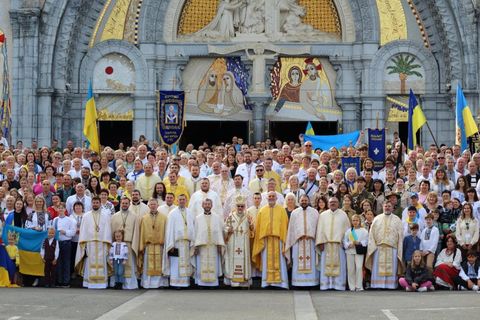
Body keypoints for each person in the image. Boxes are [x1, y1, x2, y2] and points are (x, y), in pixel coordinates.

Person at [252, 191, 289, 289]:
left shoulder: (282, 210)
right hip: (266, 241)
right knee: (266, 261)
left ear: (276, 198)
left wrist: (283, 238)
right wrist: (261, 239)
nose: (271, 198)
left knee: (280, 261)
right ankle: (267, 283)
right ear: (267, 198)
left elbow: (285, 226)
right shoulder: (262, 211)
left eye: (273, 196)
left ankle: (281, 283)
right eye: (270, 196)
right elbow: (259, 227)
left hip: (278, 240)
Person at [75, 196, 112, 289]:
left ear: (100, 203)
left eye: (97, 202)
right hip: (90, 243)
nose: (95, 204)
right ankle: (89, 283)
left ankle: (102, 284)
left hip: (102, 243)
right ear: (91, 203)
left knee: (102, 262)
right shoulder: (86, 216)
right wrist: (84, 243)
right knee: (89, 262)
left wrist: (107, 242)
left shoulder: (105, 215)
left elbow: (108, 230)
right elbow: (83, 230)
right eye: (93, 202)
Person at [365, 202, 404, 289]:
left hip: (392, 248)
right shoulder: (377, 219)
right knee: (378, 267)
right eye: (385, 206)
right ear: (383, 207)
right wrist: (372, 247)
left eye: (389, 206)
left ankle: (390, 285)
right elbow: (371, 234)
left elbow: (400, 236)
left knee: (392, 268)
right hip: (378, 248)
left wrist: (399, 248)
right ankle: (377, 285)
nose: (387, 208)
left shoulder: (397, 220)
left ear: (392, 207)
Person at [315, 196, 351, 290]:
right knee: (325, 266)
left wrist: (349, 242)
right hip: (326, 245)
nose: (333, 204)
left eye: (335, 202)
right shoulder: (323, 215)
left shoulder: (343, 215)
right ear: (328, 204)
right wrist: (320, 242)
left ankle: (338, 285)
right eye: (331, 202)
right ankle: (326, 285)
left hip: (339, 245)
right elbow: (320, 230)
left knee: (340, 266)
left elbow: (348, 230)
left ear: (338, 203)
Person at [285, 195, 319, 287]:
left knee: (311, 262)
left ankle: (312, 282)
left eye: (305, 200)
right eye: (302, 200)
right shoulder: (294, 213)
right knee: (297, 261)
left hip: (310, 241)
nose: (304, 202)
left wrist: (313, 236)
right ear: (299, 201)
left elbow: (317, 227)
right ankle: (297, 282)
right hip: (298, 242)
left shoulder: (314, 212)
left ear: (308, 201)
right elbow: (291, 228)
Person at [162, 194, 195, 288]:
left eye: (183, 199)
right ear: (177, 201)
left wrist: (193, 242)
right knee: (176, 263)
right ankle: (175, 283)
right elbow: (169, 230)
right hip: (176, 243)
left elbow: (193, 227)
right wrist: (170, 244)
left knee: (186, 263)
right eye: (180, 199)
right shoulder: (172, 213)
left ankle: (185, 283)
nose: (182, 201)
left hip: (187, 243)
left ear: (186, 200)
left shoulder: (190, 212)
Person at [193, 198, 225, 287]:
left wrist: (219, 245)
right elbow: (195, 232)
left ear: (211, 205)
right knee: (201, 264)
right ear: (202, 205)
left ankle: (213, 283)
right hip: (201, 246)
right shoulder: (198, 218)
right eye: (205, 204)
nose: (207, 206)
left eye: (209, 204)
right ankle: (201, 283)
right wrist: (195, 247)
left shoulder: (217, 217)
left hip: (213, 246)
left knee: (213, 264)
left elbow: (219, 231)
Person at [224, 195, 254, 287]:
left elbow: (252, 230)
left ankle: (244, 281)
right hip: (233, 242)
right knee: (232, 259)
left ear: (244, 207)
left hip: (244, 243)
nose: (240, 208)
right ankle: (233, 281)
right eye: (238, 206)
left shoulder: (248, 216)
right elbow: (225, 228)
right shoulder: (231, 216)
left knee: (244, 259)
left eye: (242, 206)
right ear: (235, 206)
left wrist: (250, 224)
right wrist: (228, 230)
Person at [110, 197, 140, 289]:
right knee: (117, 265)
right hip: (117, 246)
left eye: (126, 203)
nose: (124, 205)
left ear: (129, 204)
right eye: (123, 203)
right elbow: (112, 231)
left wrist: (135, 244)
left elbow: (136, 232)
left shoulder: (134, 216)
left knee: (129, 264)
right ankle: (117, 283)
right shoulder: (115, 216)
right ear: (120, 203)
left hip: (129, 244)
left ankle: (128, 285)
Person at [138, 198, 168, 288]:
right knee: (148, 265)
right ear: (148, 206)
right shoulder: (144, 218)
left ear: (157, 206)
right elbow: (142, 232)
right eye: (151, 205)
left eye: (154, 204)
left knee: (160, 264)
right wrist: (141, 246)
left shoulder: (164, 218)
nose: (153, 206)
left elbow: (166, 232)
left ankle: (160, 284)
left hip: (160, 246)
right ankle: (148, 283)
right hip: (149, 245)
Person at [52, 202, 76, 287]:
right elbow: (52, 231)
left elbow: (73, 232)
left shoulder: (70, 220)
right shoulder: (55, 220)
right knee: (58, 262)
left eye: (62, 208)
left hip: (66, 243)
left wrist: (64, 232)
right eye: (59, 208)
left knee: (66, 262)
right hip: (58, 243)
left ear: (65, 209)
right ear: (57, 209)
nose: (61, 209)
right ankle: (59, 280)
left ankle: (66, 281)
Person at [343, 214, 368, 291]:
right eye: (353, 220)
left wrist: (359, 243)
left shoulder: (364, 231)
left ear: (359, 221)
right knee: (350, 269)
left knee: (359, 267)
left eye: (357, 220)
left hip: (359, 251)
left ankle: (359, 286)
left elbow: (366, 241)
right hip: (350, 251)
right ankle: (352, 286)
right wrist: (348, 244)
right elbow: (344, 240)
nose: (355, 222)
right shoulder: (349, 231)